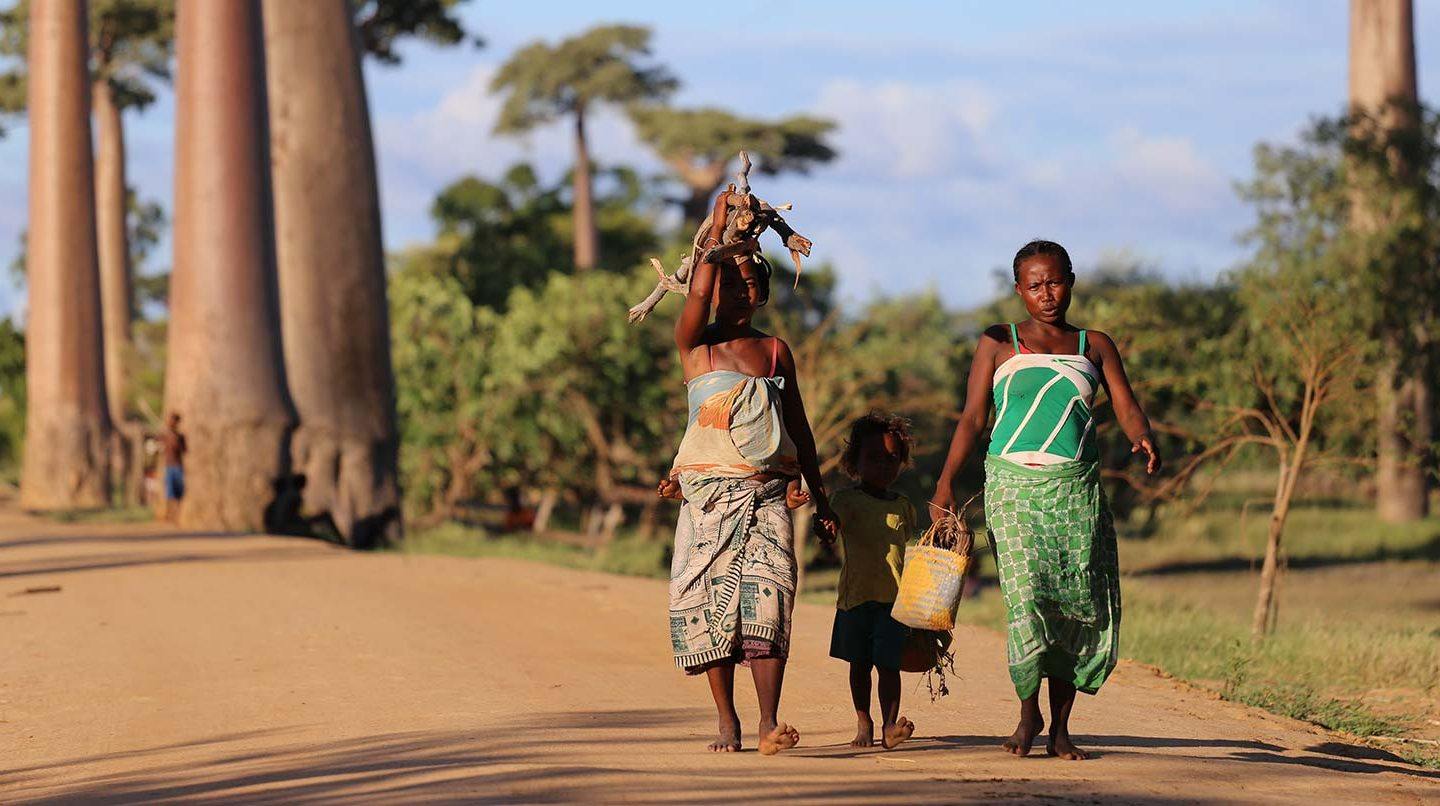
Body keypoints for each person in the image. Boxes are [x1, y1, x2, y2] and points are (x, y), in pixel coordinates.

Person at [929, 239, 1161, 761]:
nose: (1046, 294)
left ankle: (1059, 728)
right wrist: (945, 482)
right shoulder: (998, 342)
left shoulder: (1094, 344)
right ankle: (1027, 709)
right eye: (1034, 285)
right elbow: (971, 419)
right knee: (1027, 598)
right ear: (1019, 290)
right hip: (1011, 487)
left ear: (1071, 281)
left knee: (1072, 607)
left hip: (1076, 491)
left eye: (1054, 282)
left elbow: (1126, 405)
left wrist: (1141, 435)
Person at [660, 187, 836, 755]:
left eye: (752, 283)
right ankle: (727, 721)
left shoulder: (776, 352)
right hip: (708, 501)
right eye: (730, 283)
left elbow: (800, 428)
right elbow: (700, 288)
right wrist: (720, 230)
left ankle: (768, 721)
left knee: (771, 599)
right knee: (713, 607)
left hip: (768, 496)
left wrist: (821, 493)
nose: (742, 291)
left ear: (763, 291)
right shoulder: (697, 347)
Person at [824, 412, 918, 749]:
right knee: (860, 665)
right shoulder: (845, 501)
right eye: (873, 458)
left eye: (892, 458)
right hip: (855, 599)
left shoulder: (905, 506)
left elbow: (913, 548)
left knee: (889, 666)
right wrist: (828, 528)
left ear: (902, 462)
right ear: (855, 462)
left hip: (894, 601)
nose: (883, 466)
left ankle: (889, 726)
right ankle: (864, 722)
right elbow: (830, 527)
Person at [159, 412, 188, 523]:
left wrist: (177, 442)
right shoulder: (164, 436)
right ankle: (169, 515)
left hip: (178, 466)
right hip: (168, 467)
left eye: (174, 421)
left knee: (179, 493)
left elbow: (185, 451)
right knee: (169, 492)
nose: (172, 423)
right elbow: (160, 447)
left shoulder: (180, 437)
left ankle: (178, 516)